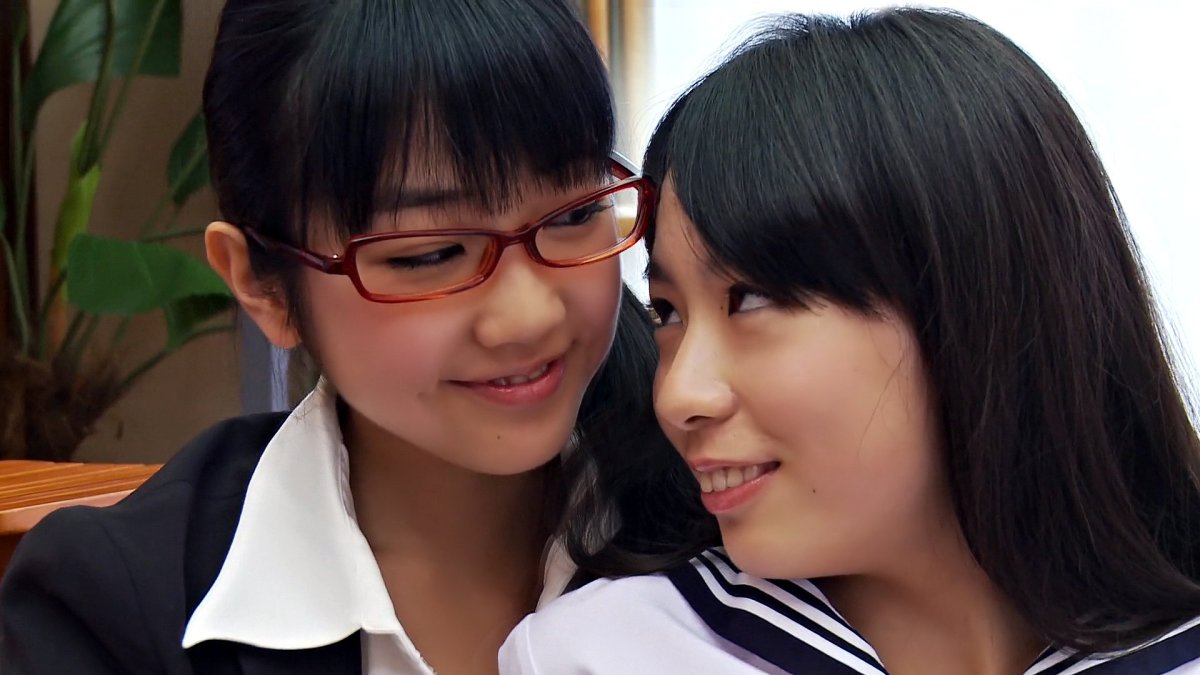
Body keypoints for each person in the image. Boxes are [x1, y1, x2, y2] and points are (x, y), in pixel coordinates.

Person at [0, 1, 711, 673]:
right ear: (261, 285)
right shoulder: (109, 610)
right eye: (430, 254)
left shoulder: (728, 502)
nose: (529, 315)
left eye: (573, 215)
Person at [500, 8, 1200, 674]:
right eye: (666, 312)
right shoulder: (607, 654)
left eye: (751, 298)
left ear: (976, 302)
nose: (679, 394)